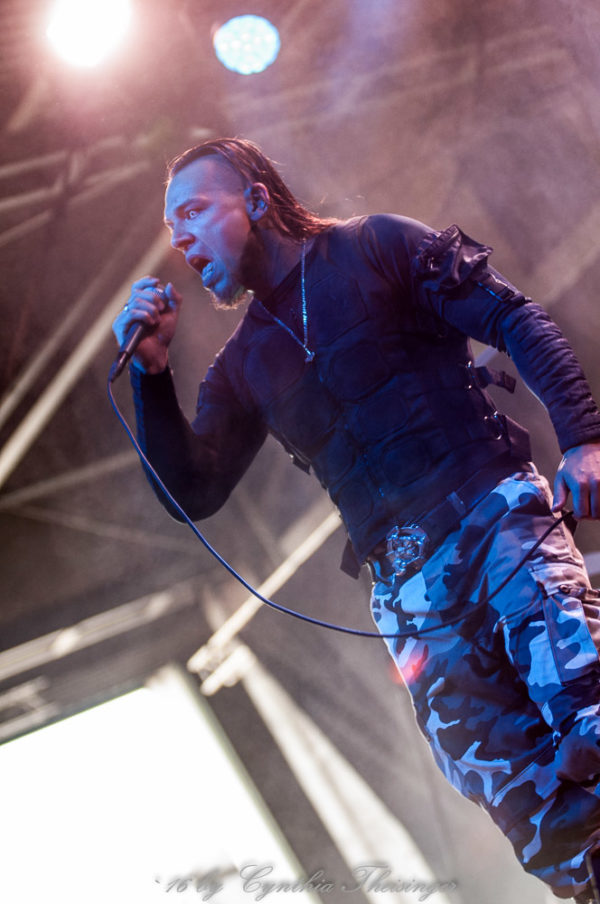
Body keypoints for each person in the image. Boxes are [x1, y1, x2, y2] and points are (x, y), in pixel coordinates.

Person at [112, 137, 600, 902]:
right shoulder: (243, 366)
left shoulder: (376, 246)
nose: (180, 239)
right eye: (173, 228)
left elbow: (513, 318)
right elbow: (192, 494)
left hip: (495, 525)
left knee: (587, 712)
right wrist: (151, 375)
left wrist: (582, 439)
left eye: (195, 211)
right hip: (410, 600)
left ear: (257, 199)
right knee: (534, 813)